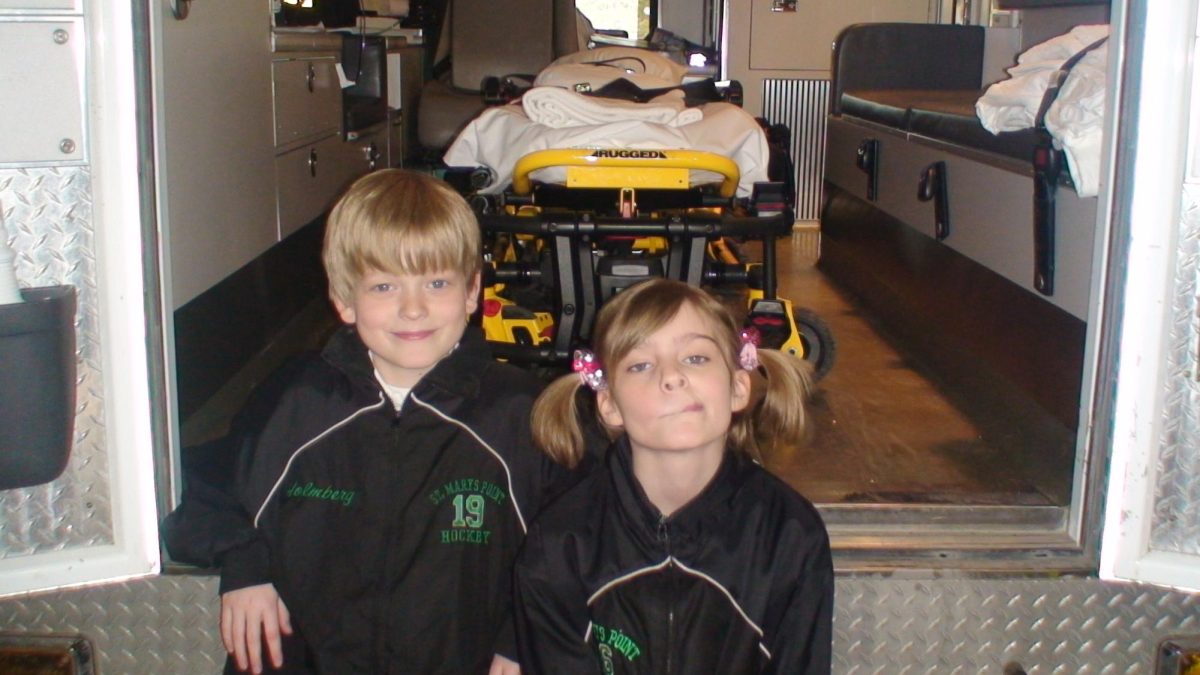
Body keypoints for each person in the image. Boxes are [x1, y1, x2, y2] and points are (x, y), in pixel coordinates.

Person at [162, 169, 576, 675]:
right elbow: (197, 483)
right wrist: (246, 565)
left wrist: (523, 639)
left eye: (437, 282)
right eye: (384, 285)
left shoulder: (522, 416)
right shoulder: (295, 401)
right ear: (343, 299)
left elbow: (581, 535)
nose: (413, 308)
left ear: (472, 292)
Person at [514, 278, 834, 674]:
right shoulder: (561, 544)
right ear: (610, 404)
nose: (671, 376)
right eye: (641, 365)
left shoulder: (789, 535)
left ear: (737, 387)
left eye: (695, 358)